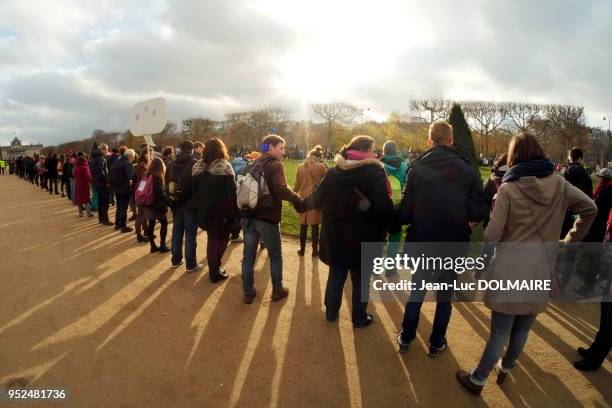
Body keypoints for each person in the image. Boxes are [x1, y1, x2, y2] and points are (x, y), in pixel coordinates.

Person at [455, 132, 597, 396]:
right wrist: (569, 240)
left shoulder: (509, 188)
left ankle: (478, 379)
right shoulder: (560, 183)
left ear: (514, 156)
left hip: (510, 267)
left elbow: (491, 234)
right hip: (542, 267)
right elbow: (590, 208)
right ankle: (506, 368)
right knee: (523, 328)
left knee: (500, 331)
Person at [396, 120, 489, 357]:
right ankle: (436, 341)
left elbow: (405, 213)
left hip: (424, 240)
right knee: (444, 297)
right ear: (451, 141)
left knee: (417, 291)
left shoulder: (417, 168)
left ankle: (407, 337)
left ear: (430, 140)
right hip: (452, 242)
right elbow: (480, 212)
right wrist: (466, 222)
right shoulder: (467, 170)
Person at [303, 135, 398, 327]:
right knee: (360, 279)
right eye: (373, 149)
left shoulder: (333, 173)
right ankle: (359, 317)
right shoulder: (375, 173)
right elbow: (383, 207)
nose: (375, 152)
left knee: (337, 275)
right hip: (365, 236)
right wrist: (394, 225)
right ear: (364, 152)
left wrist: (299, 203)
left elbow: (317, 199)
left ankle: (331, 312)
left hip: (338, 235)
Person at [240, 134, 303, 304]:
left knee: (248, 256)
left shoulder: (252, 163)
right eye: (281, 148)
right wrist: (297, 199)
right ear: (270, 147)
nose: (283, 152)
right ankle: (277, 289)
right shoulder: (275, 165)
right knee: (275, 255)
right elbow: (281, 189)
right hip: (267, 217)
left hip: (248, 215)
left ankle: (248, 292)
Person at [192, 138, 240, 282]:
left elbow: (195, 191)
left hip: (204, 210)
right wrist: (236, 214)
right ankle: (215, 269)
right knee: (223, 238)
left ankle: (214, 269)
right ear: (221, 149)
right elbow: (232, 194)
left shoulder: (197, 166)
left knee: (212, 239)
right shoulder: (225, 166)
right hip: (222, 211)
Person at [576, 168, 612, 295]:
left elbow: (596, 210)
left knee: (592, 257)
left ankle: (588, 287)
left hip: (597, 228)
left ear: (603, 179)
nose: (598, 179)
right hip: (602, 228)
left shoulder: (603, 192)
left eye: (600, 177)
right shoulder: (608, 190)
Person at [169, 140, 201, 272]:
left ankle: (175, 260)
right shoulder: (195, 163)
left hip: (176, 202)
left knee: (176, 232)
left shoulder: (171, 164)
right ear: (192, 149)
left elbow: (168, 182)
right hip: (190, 203)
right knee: (190, 234)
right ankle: (191, 264)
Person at [380, 140, 409, 276]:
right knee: (395, 238)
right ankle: (390, 269)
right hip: (397, 206)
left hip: (380, 205)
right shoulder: (404, 166)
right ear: (396, 151)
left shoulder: (378, 165)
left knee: (379, 236)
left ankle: (375, 267)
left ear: (384, 151)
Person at [293, 145, 327, 257]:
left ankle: (302, 250)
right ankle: (314, 250)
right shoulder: (321, 167)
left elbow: (297, 185)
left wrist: (293, 197)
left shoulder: (300, 166)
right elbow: (328, 181)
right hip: (315, 199)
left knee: (303, 226)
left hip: (303, 199)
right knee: (315, 226)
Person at [144, 157, 169, 253]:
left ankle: (153, 246)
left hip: (148, 203)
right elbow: (159, 192)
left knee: (151, 224)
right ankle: (162, 245)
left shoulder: (147, 174)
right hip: (157, 205)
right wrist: (166, 201)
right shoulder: (157, 176)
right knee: (164, 223)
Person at [109, 147, 135, 233]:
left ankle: (117, 224)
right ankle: (123, 226)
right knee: (124, 207)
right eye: (133, 157)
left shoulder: (117, 161)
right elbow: (131, 175)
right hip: (124, 188)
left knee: (119, 206)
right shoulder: (127, 163)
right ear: (130, 156)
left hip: (116, 187)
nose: (133, 159)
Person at [90, 143, 113, 226]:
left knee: (100, 201)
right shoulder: (101, 158)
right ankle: (105, 219)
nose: (107, 151)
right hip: (102, 183)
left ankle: (101, 219)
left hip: (97, 182)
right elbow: (101, 171)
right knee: (105, 202)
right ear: (102, 149)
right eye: (106, 149)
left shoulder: (93, 157)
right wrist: (107, 181)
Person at [483, 154, 509, 225]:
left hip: (492, 223)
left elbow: (484, 204)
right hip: (510, 225)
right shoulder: (516, 180)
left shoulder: (490, 182)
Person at [133, 151, 150, 242]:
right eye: (149, 153)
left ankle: (146, 231)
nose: (150, 154)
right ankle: (139, 234)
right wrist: (148, 170)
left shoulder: (143, 164)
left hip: (141, 190)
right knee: (141, 214)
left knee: (144, 214)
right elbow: (142, 178)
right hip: (141, 191)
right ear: (144, 154)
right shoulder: (142, 164)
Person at [74, 152, 94, 218]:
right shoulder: (85, 167)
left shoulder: (76, 168)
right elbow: (88, 177)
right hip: (85, 185)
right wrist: (92, 182)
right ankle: (89, 213)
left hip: (78, 185)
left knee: (80, 200)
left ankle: (80, 213)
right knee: (87, 200)